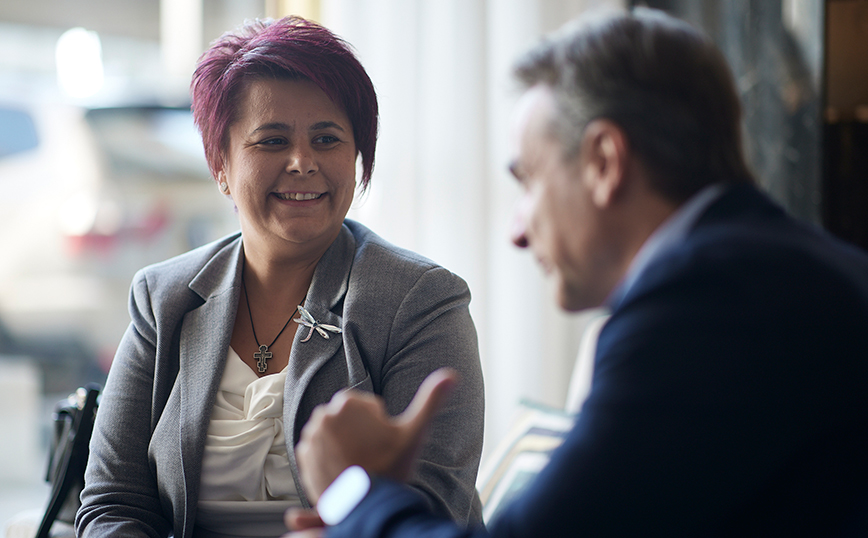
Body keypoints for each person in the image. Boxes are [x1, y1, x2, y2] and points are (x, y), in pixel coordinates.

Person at [284, 7, 868, 538]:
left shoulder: (709, 302)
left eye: (528, 182)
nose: (517, 230)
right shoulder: (774, 271)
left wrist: (352, 492)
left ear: (604, 163)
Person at [75, 16, 485, 538]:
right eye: (271, 141)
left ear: (356, 156)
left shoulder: (421, 301)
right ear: (220, 162)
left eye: (327, 138)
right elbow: (114, 501)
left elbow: (431, 512)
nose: (302, 162)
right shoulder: (164, 299)